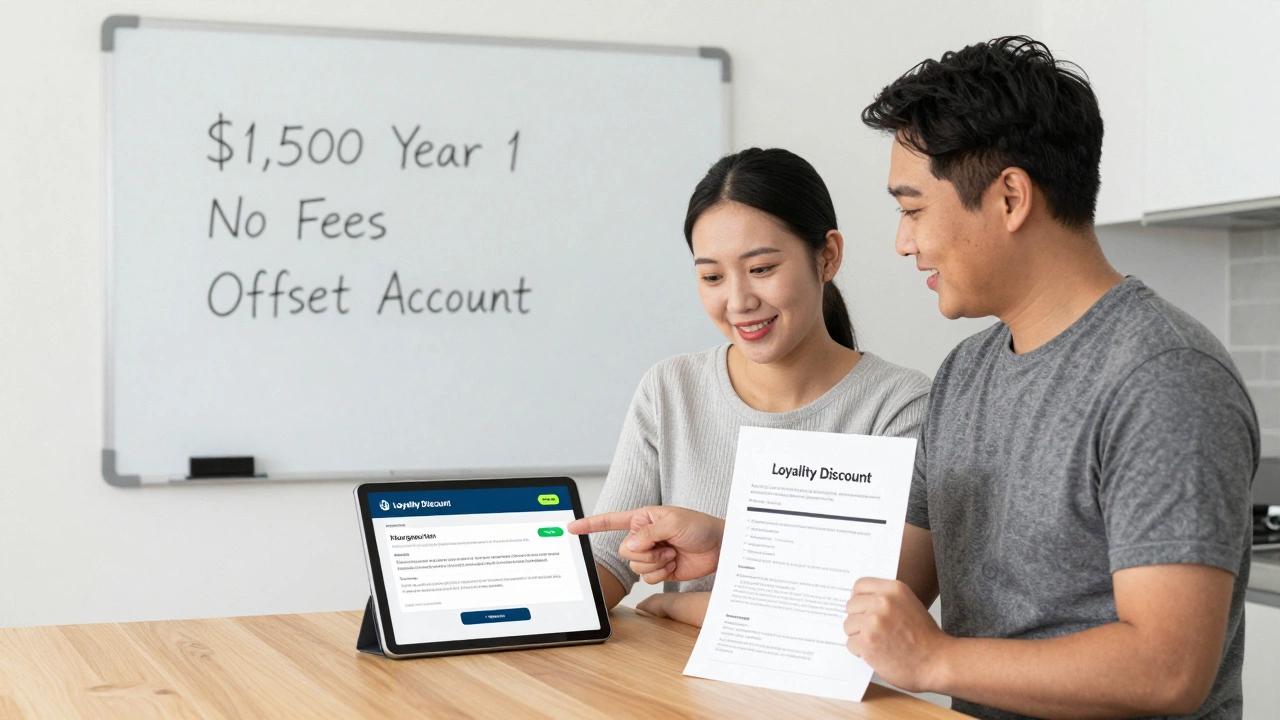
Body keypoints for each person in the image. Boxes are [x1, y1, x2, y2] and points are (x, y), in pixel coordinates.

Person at [573, 37, 1258, 720]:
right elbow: (875, 598)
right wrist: (734, 545)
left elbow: (1168, 669)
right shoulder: (968, 374)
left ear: (1011, 197)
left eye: (913, 208)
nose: (904, 241)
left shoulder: (1164, 378)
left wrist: (934, 659)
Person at [588, 147, 931, 626]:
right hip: (676, 694)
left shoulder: (901, 407)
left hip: (820, 701)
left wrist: (680, 604)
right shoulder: (671, 389)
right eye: (711, 276)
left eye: (762, 269)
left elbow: (868, 612)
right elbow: (606, 564)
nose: (739, 300)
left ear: (827, 256)